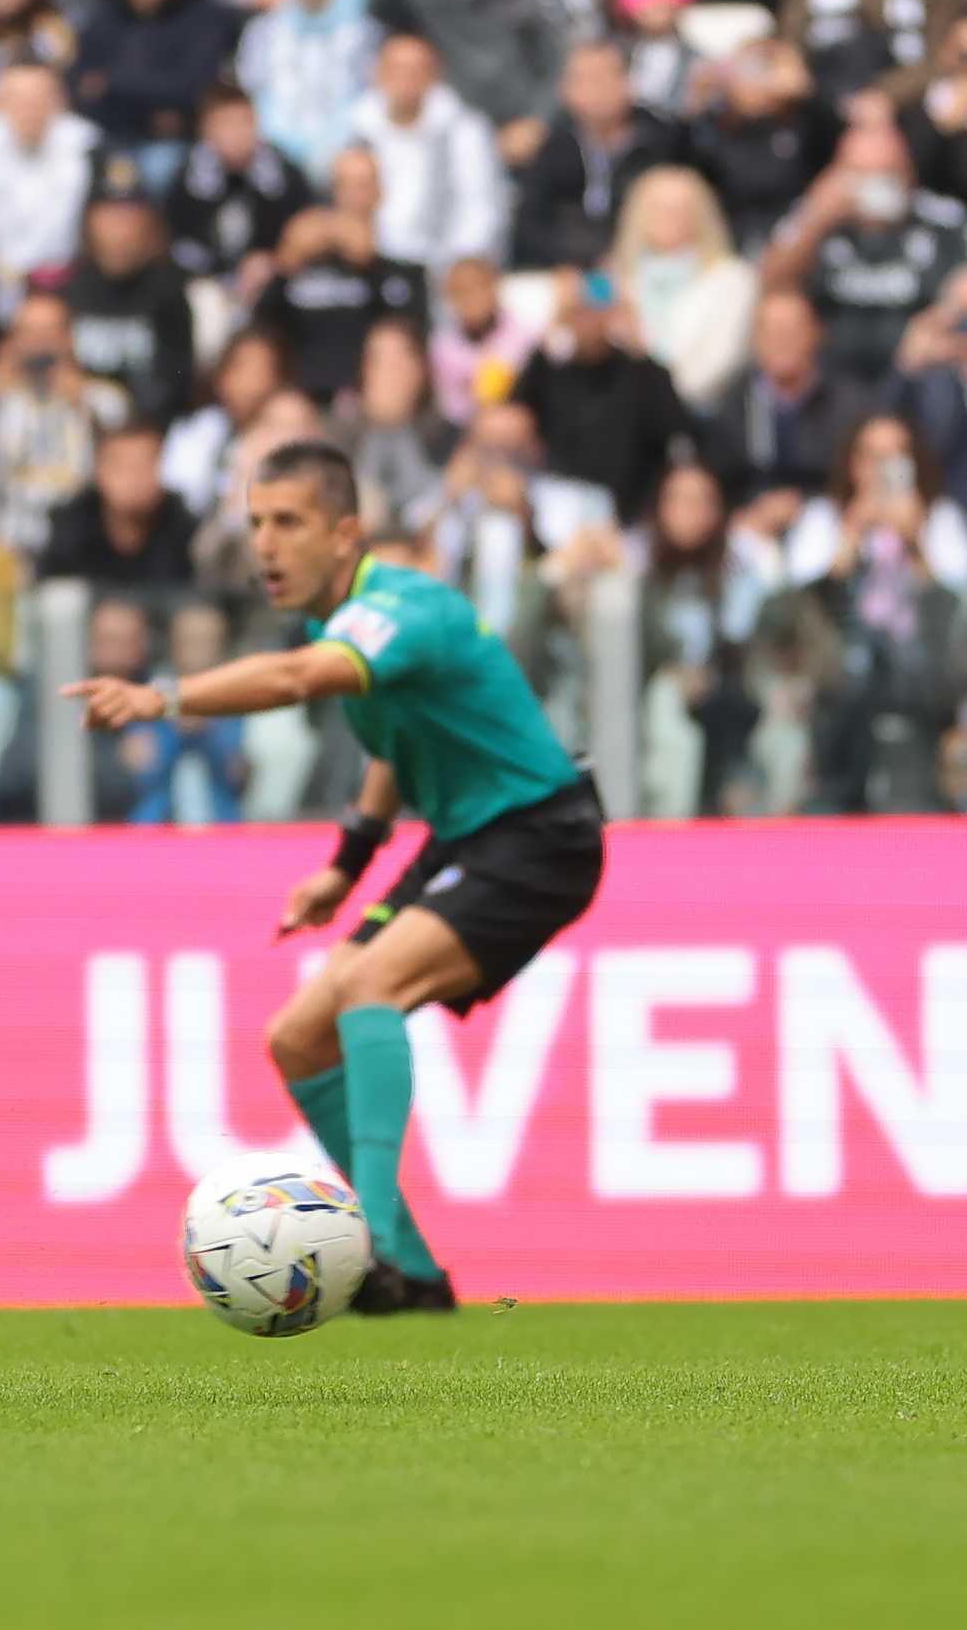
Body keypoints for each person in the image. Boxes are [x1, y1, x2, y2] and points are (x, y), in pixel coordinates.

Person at [65, 437, 607, 1314]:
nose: (265, 544)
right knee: (297, 1037)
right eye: (255, 523)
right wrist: (345, 865)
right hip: (463, 838)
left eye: (288, 522)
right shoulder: (345, 622)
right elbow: (395, 747)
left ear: (345, 531)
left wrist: (163, 695)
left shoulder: (401, 608)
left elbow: (292, 679)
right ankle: (418, 1280)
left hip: (538, 834)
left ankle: (377, 1244)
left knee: (366, 990)